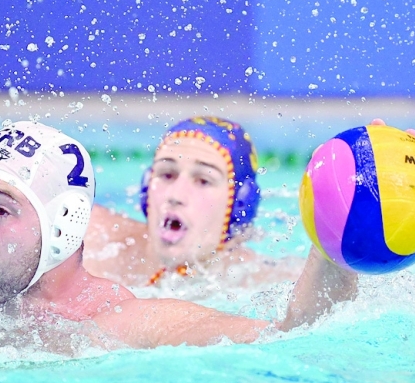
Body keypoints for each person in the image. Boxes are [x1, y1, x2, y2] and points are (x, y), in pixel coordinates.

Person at [0, 121, 358, 347]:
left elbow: (291, 336)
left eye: (1, 210)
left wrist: (337, 245)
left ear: (62, 231)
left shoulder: (111, 320)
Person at [82, 116, 301, 288]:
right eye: (167, 174)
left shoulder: (267, 283)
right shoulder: (90, 241)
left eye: (203, 180)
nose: (175, 195)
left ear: (238, 206)